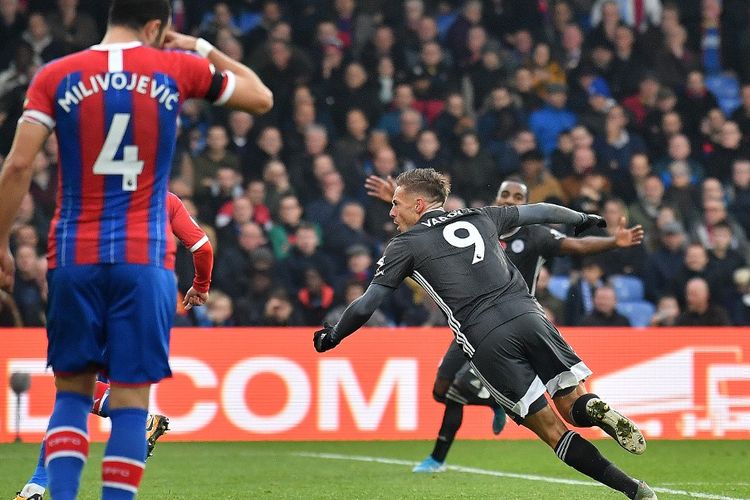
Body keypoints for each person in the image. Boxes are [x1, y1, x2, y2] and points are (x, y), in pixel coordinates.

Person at [0, 1, 272, 498]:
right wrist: (199, 47)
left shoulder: (56, 74)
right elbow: (261, 98)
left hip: (74, 254)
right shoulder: (176, 67)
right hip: (144, 261)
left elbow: (18, 166)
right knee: (130, 401)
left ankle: (48, 489)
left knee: (72, 396)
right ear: (156, 27)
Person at [317, 169, 655, 500]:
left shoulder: (403, 245)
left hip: (484, 337)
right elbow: (537, 212)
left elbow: (366, 305)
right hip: (530, 316)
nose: (390, 212)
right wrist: (579, 216)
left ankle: (634, 490)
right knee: (572, 403)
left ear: (418, 205)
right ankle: (594, 407)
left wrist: (332, 335)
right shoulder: (481, 216)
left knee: (555, 431)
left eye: (395, 203)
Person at [15, 191, 215, 500]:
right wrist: (200, 287)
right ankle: (35, 488)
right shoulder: (167, 200)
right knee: (92, 389)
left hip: (101, 297)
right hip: (151, 302)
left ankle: (41, 484)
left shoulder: (96, 193)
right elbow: (202, 247)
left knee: (73, 389)